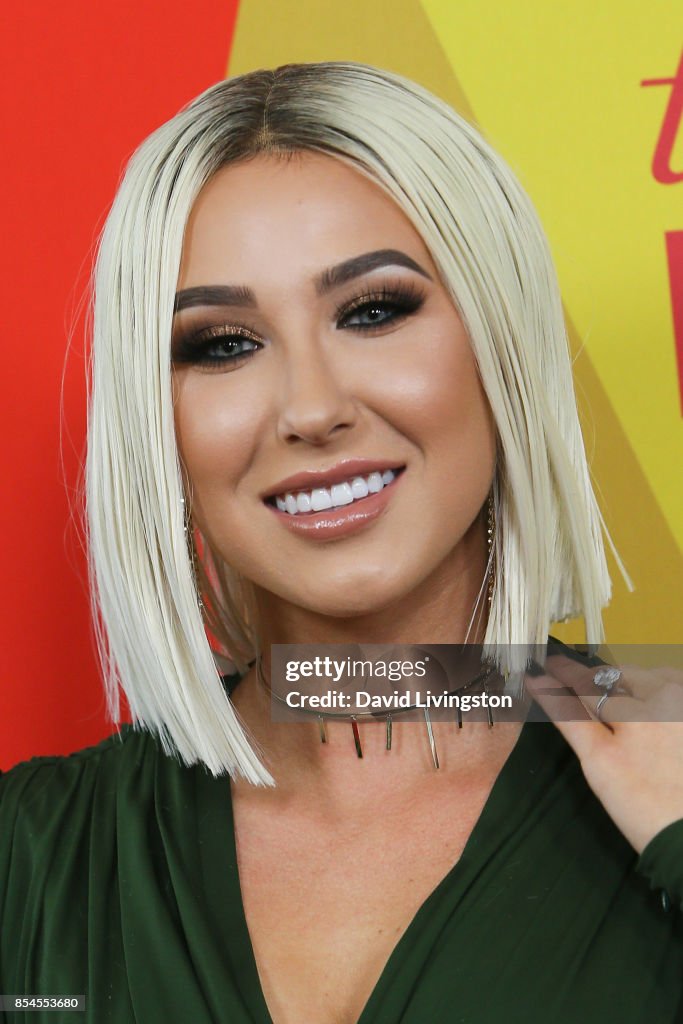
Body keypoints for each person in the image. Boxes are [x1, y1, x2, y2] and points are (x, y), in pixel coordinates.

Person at [1, 61, 682, 1024]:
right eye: (221, 343)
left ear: (502, 348)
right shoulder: (29, 859)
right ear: (158, 423)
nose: (311, 409)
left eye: (373, 311)